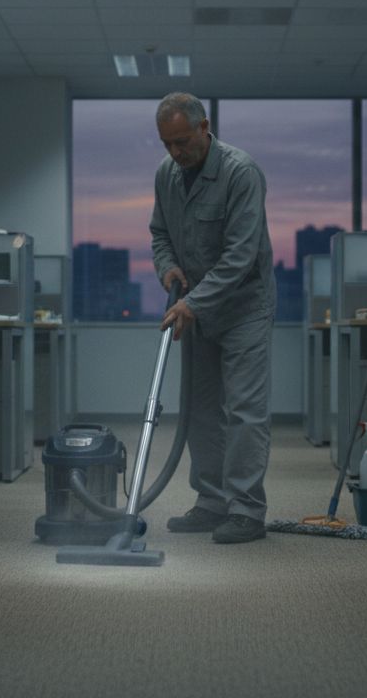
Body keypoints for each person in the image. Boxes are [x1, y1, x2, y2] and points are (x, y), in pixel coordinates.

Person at [149, 92, 276, 544]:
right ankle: (211, 501)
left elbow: (241, 255)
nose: (175, 152)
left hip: (243, 307)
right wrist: (167, 267)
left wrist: (193, 303)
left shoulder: (241, 173)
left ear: (204, 128)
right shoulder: (166, 175)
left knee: (244, 411)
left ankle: (246, 510)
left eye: (182, 142)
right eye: (167, 144)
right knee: (201, 410)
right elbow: (160, 233)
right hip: (196, 309)